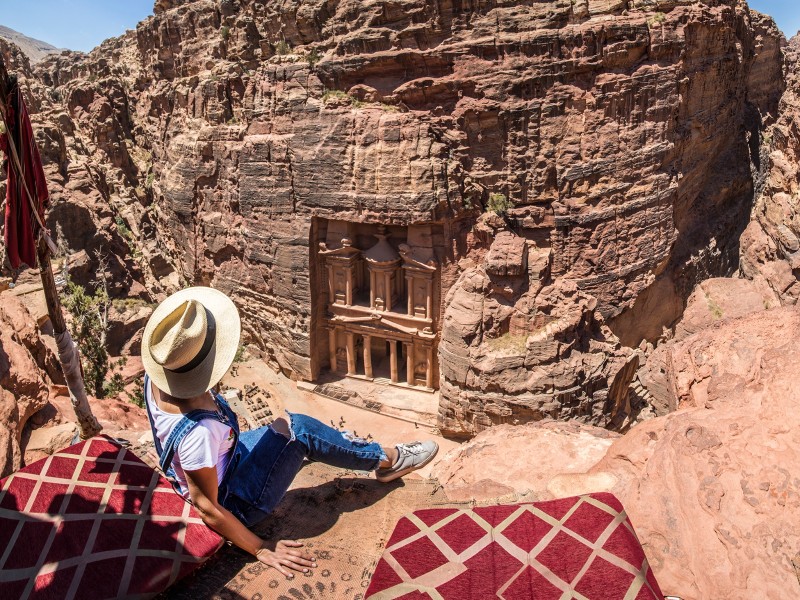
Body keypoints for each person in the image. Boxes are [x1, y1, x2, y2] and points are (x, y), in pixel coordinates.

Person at [141, 287, 438, 579]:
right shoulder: (200, 433)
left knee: (280, 430)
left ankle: (335, 452)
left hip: (225, 459)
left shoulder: (157, 377)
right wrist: (261, 548)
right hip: (235, 500)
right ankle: (387, 460)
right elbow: (207, 507)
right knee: (299, 431)